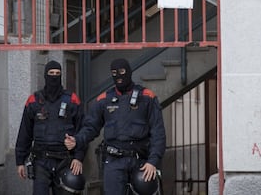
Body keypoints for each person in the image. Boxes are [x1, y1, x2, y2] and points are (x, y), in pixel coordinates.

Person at [64, 58, 166, 195]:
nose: (118, 77)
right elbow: (90, 127)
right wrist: (77, 140)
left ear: (129, 72)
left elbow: (158, 132)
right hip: (113, 162)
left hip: (141, 162)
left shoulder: (147, 97)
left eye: (122, 72)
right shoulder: (104, 100)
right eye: (114, 73)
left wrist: (153, 161)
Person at [15, 60, 86, 195]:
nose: (54, 76)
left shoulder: (72, 100)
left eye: (58, 73)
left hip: (66, 161)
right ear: (45, 75)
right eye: (51, 73)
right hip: (41, 161)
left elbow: (82, 130)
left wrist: (79, 157)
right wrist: (20, 161)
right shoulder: (34, 101)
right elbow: (25, 132)